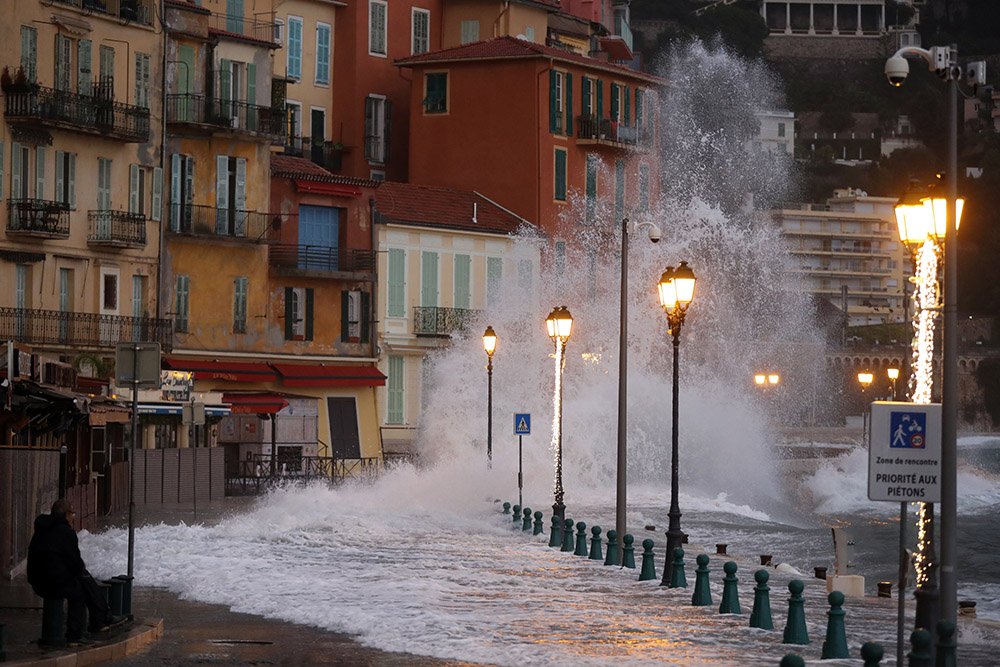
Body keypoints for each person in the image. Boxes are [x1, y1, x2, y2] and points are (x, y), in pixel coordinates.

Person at [27, 499, 113, 646]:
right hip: (52, 582)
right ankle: (76, 635)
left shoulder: (41, 529)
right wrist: (80, 569)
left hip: (36, 579)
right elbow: (74, 562)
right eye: (72, 513)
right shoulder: (66, 532)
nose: (73, 517)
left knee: (81, 581)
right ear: (66, 515)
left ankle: (100, 619)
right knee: (79, 593)